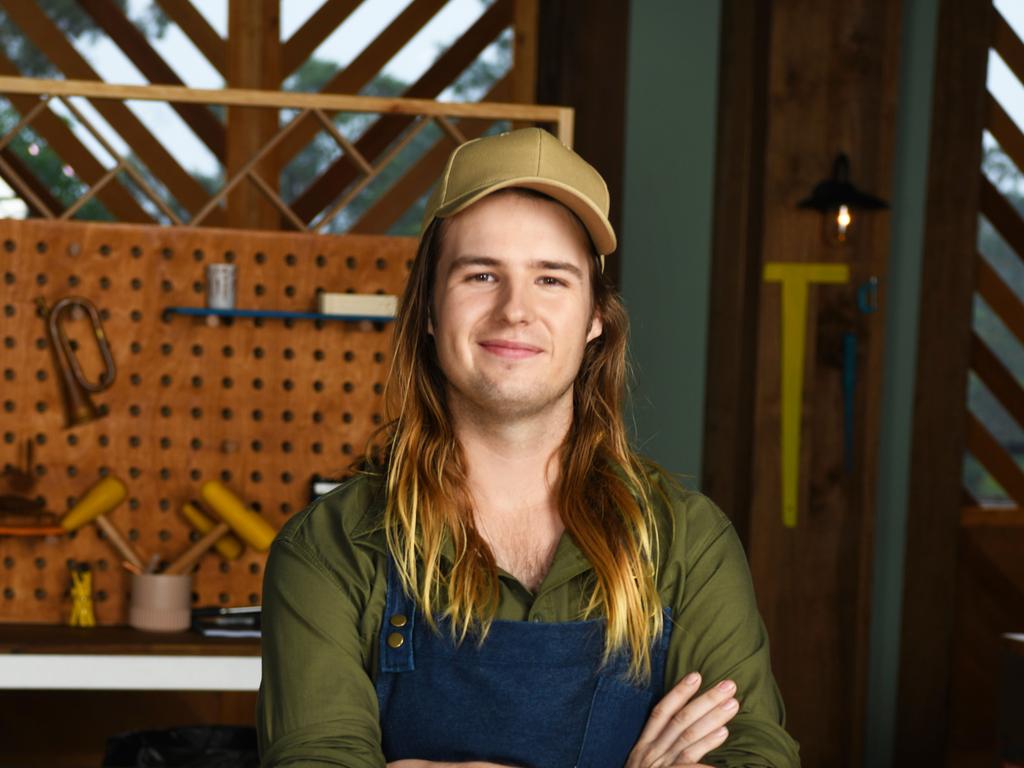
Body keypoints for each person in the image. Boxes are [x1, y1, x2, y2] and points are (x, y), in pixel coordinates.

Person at [257, 127, 800, 768]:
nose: (515, 310)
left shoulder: (686, 542)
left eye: (551, 279)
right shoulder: (333, 547)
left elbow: (753, 756)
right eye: (482, 274)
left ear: (595, 317)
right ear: (429, 309)